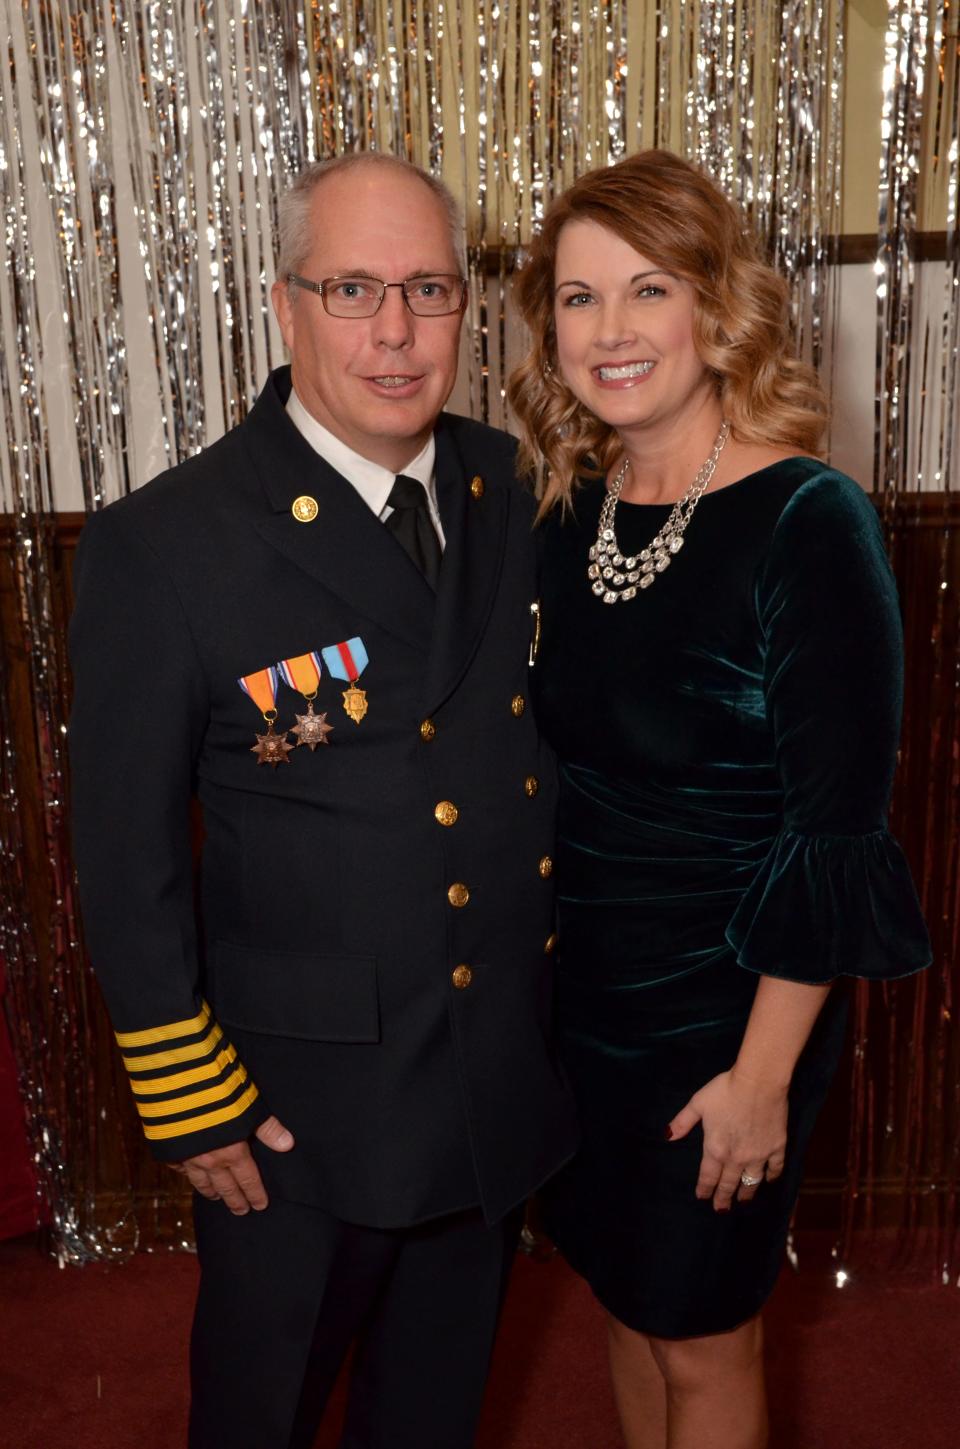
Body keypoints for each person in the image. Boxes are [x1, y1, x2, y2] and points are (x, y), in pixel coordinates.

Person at [68, 151, 577, 1449]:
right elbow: (125, 854)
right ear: (284, 304)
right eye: (353, 288)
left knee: (432, 1417)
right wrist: (189, 1091)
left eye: (429, 288)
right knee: (261, 1417)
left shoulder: (509, 487)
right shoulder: (168, 542)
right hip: (295, 1113)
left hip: (480, 1086)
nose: (396, 332)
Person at [507, 149, 931, 1449]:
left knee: (706, 1332)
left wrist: (761, 1076)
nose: (611, 331)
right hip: (586, 1004)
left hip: (730, 1009)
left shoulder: (811, 517)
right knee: (631, 1308)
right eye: (578, 299)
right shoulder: (564, 513)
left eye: (647, 288)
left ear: (717, 306)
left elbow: (835, 828)